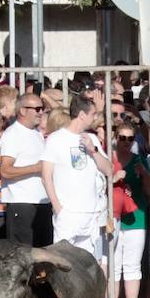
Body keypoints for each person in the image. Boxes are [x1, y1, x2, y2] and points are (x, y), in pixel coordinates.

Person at [41, 97, 111, 263]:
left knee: (90, 265)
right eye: (93, 114)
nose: (95, 118)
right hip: (68, 214)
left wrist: (93, 151)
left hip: (91, 215)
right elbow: (46, 177)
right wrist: (59, 208)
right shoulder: (56, 139)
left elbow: (108, 169)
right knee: (62, 264)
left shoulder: (92, 139)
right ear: (81, 115)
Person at [0, 91, 52, 246]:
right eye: (37, 109)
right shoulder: (12, 134)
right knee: (23, 256)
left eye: (42, 108)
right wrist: (36, 168)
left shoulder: (36, 133)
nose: (41, 112)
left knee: (43, 255)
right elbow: (6, 170)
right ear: (22, 110)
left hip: (41, 203)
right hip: (22, 204)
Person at [108, 119, 150, 298]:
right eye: (122, 138)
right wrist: (113, 179)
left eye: (130, 138)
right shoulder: (109, 160)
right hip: (113, 215)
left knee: (132, 264)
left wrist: (144, 176)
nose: (126, 142)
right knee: (113, 263)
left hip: (136, 217)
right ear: (116, 138)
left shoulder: (139, 160)